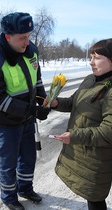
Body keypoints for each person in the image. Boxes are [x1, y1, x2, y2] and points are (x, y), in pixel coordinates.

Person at [0, 12, 50, 210]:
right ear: (7, 37)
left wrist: (41, 103)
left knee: (28, 156)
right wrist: (30, 109)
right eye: (22, 37)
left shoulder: (32, 51)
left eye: (29, 36)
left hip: (28, 116)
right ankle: (9, 197)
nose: (27, 42)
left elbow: (37, 80)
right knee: (8, 161)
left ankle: (25, 188)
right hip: (6, 120)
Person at [49, 38, 112, 210]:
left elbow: (109, 130)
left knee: (95, 198)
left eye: (97, 57)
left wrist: (75, 135)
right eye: (91, 57)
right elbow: (73, 102)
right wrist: (56, 103)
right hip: (85, 153)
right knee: (91, 196)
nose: (91, 62)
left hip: (98, 157)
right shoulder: (90, 79)